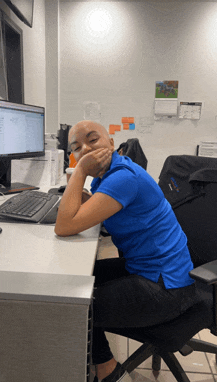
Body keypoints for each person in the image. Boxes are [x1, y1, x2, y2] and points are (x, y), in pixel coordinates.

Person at [55, 120, 196, 382]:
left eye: (92, 140)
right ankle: (100, 361)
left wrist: (79, 172)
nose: (85, 149)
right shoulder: (112, 174)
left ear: (111, 144)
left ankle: (107, 367)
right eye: (77, 147)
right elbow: (89, 213)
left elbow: (64, 226)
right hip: (152, 272)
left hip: (167, 289)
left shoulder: (123, 178)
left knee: (73, 306)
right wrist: (77, 194)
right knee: (77, 279)